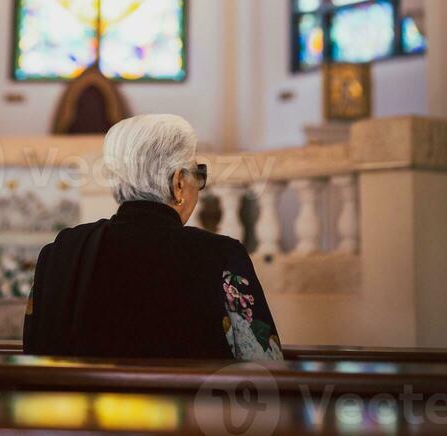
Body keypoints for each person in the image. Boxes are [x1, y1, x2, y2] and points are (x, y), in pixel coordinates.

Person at [23, 114, 282, 361]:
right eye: (197, 173)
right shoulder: (223, 256)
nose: (199, 183)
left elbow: (32, 353)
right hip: (191, 406)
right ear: (179, 183)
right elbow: (265, 364)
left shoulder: (59, 251)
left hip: (74, 407)